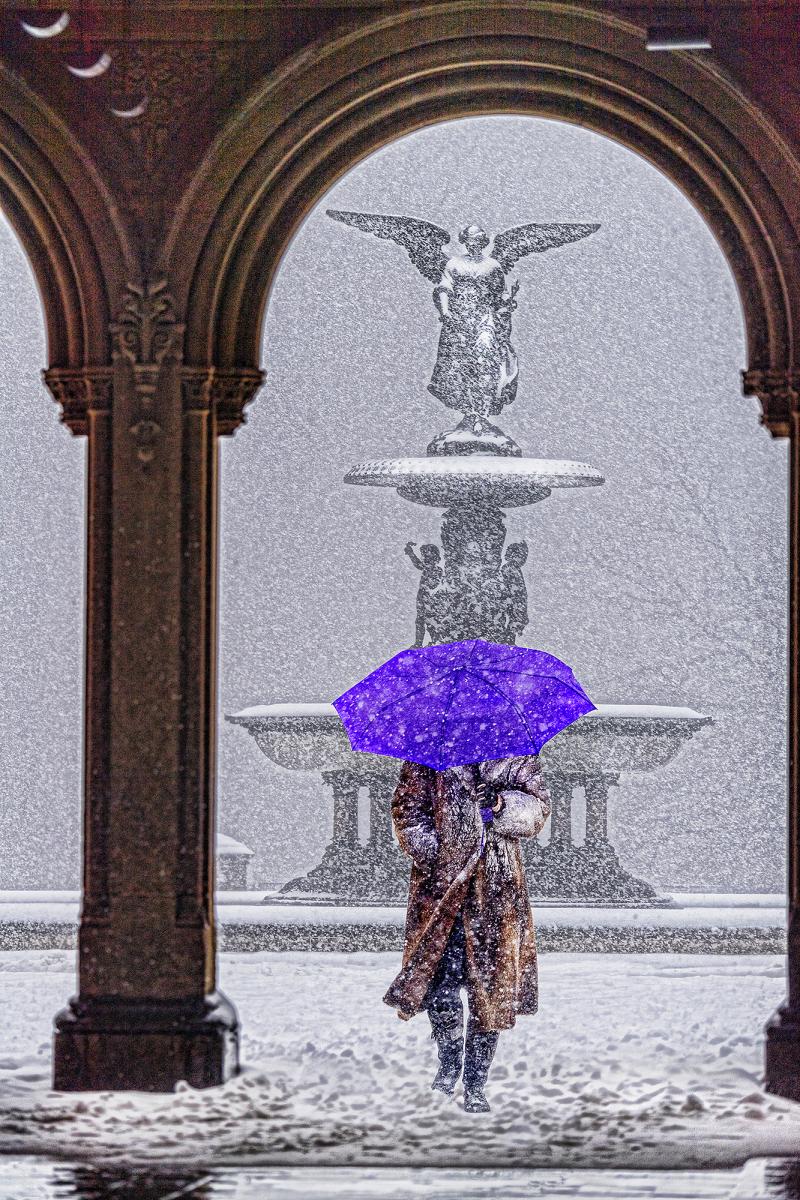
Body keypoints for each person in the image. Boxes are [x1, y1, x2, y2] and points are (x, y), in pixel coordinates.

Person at [383, 755, 551, 1111]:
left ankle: (476, 1081)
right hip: (443, 891)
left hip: (496, 888)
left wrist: (500, 804)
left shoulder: (517, 757)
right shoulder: (428, 755)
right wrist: (439, 854)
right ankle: (448, 1059)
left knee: (491, 990)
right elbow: (407, 811)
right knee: (438, 982)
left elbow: (537, 812)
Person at [428, 224, 520, 433]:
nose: (474, 245)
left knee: (485, 360)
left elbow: (500, 295)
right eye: (470, 241)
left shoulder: (493, 266)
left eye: (478, 241)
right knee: (461, 365)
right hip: (460, 319)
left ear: (483, 242)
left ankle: (482, 411)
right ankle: (470, 411)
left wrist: (509, 302)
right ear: (464, 242)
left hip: (484, 318)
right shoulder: (454, 263)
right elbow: (444, 287)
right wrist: (445, 311)